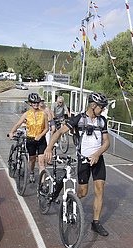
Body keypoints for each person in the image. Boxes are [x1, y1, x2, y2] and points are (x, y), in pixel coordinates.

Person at [44, 92, 110, 236]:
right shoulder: (78, 119)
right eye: (101, 107)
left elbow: (106, 142)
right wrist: (49, 147)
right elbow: (60, 132)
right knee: (83, 192)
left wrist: (97, 154)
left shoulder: (102, 121)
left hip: (98, 160)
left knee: (99, 189)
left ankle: (96, 222)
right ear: (93, 106)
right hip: (83, 160)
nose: (103, 110)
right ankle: (71, 201)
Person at [8, 93, 49, 183]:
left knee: (41, 163)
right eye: (33, 103)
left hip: (41, 140)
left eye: (37, 102)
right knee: (32, 159)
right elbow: (18, 124)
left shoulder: (44, 114)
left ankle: (42, 184)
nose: (36, 104)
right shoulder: (26, 114)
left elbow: (47, 128)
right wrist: (12, 132)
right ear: (30, 103)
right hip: (30, 140)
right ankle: (31, 172)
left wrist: (40, 135)